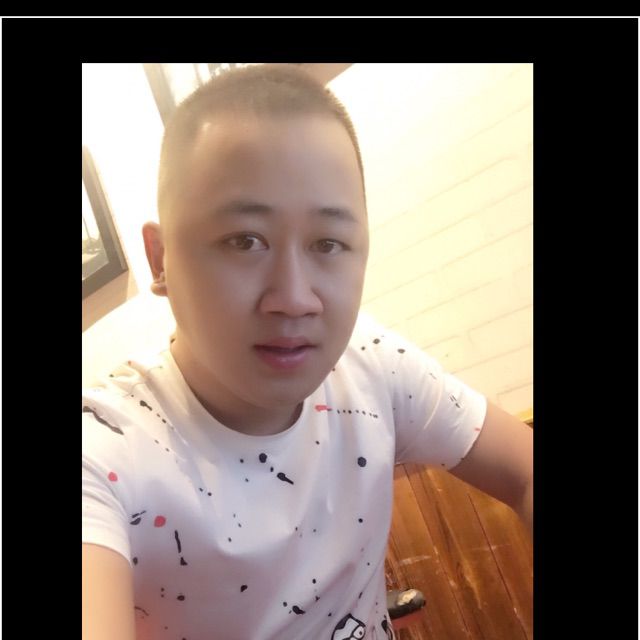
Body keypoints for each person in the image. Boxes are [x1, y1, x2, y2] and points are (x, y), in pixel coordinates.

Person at [82, 63, 533, 640]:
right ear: (161, 258)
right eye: (244, 241)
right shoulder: (103, 450)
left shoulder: (369, 363)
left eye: (328, 243)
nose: (295, 299)